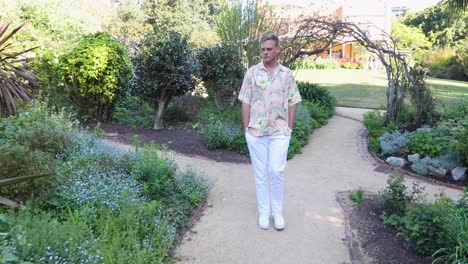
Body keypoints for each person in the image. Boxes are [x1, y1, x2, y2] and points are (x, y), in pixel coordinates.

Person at [238, 33, 302, 230]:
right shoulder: (252, 73)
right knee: (260, 173)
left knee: (276, 170)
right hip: (256, 132)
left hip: (279, 132)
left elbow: (293, 100)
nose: (265, 52)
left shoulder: (286, 74)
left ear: (277, 50)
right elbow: (245, 100)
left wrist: (289, 128)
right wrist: (246, 128)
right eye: (262, 49)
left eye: (268, 49)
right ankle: (264, 213)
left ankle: (278, 212)